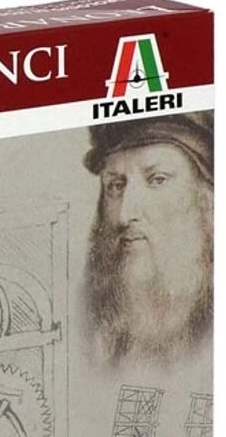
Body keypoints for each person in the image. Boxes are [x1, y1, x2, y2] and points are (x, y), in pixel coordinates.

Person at [83, 112, 213, 367]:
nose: (125, 214)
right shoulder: (94, 334)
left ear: (206, 199)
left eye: (157, 180)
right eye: (116, 185)